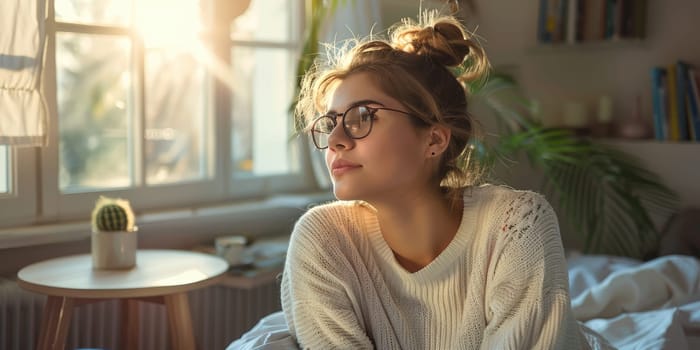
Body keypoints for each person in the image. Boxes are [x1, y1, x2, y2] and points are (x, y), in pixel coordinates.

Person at [231, 11, 613, 350]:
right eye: (330, 123)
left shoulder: (515, 222)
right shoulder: (323, 238)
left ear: (433, 139)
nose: (334, 140)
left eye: (362, 116)